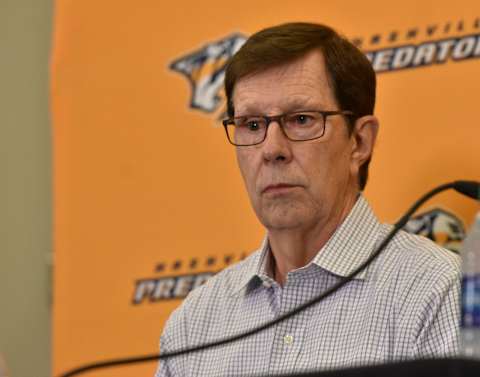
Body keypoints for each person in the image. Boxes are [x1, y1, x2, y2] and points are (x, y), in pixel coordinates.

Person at [155, 22, 460, 376]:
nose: (271, 149)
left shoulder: (438, 293)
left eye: (301, 120)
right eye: (252, 125)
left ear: (359, 142)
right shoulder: (194, 324)